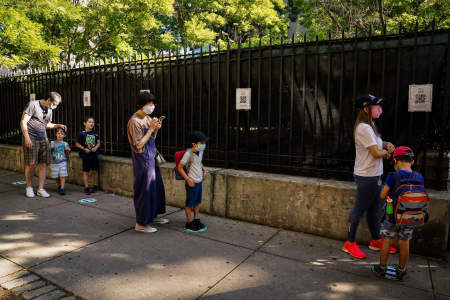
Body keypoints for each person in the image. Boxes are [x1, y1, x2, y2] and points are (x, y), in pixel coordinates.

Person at [342, 93, 396, 259]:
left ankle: (375, 241)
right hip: (367, 176)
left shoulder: (370, 125)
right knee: (358, 210)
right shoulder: (364, 128)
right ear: (366, 109)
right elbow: (374, 152)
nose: (379, 109)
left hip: (375, 175)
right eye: (375, 106)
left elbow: (375, 144)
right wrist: (386, 153)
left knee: (374, 210)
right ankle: (349, 243)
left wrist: (385, 144)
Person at [372, 146, 426, 280]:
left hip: (391, 212)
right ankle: (401, 270)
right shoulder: (419, 176)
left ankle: (382, 268)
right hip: (410, 215)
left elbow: (383, 195)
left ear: (395, 160)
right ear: (412, 162)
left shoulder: (393, 176)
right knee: (404, 241)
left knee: (387, 240)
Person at [127, 91, 168, 233]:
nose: (152, 106)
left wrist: (155, 129)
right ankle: (141, 223)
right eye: (150, 104)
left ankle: (153, 215)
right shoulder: (134, 121)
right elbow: (138, 145)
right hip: (142, 160)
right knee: (144, 190)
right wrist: (151, 129)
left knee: (155, 188)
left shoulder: (147, 118)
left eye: (153, 103)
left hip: (151, 157)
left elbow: (151, 139)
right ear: (142, 104)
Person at [20, 92, 66, 198]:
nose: (54, 106)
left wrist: (59, 125)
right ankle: (29, 187)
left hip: (43, 138)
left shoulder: (49, 109)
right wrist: (27, 138)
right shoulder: (33, 105)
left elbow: (47, 124)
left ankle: (41, 189)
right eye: (54, 104)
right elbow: (23, 121)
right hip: (31, 138)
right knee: (31, 164)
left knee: (43, 164)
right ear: (49, 100)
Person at [177, 131, 208, 232]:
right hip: (191, 182)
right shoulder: (188, 154)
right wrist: (188, 179)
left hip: (199, 181)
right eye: (201, 143)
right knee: (189, 204)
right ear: (194, 144)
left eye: (204, 143)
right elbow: (180, 168)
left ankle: (196, 219)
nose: (203, 145)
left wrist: (203, 168)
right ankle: (189, 223)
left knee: (197, 202)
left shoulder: (200, 152)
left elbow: (198, 162)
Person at [75, 117, 100, 195]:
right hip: (86, 156)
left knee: (95, 171)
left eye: (92, 122)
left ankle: (95, 186)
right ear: (85, 123)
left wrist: (95, 148)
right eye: (89, 122)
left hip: (94, 155)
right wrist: (84, 148)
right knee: (85, 172)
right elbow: (77, 144)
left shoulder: (95, 133)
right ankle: (86, 187)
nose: (91, 123)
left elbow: (98, 142)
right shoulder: (82, 134)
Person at [50, 127, 70, 195]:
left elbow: (68, 150)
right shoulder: (52, 142)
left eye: (62, 133)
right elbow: (50, 148)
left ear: (64, 135)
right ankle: (59, 185)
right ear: (56, 134)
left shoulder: (65, 143)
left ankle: (62, 188)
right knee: (55, 177)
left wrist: (68, 149)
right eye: (58, 133)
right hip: (54, 162)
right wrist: (51, 147)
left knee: (62, 175)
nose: (60, 135)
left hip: (62, 162)